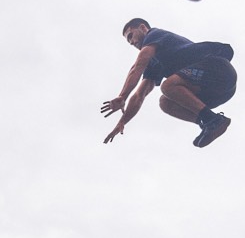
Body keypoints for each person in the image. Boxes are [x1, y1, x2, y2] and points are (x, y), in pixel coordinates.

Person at [102, 18, 237, 149]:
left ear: (143, 28)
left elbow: (138, 66)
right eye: (128, 41)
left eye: (131, 36)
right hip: (215, 93)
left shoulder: (154, 34)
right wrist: (122, 122)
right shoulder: (154, 64)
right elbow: (139, 95)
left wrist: (122, 96)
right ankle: (209, 122)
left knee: (168, 86)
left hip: (219, 71)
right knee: (165, 103)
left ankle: (212, 120)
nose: (131, 42)